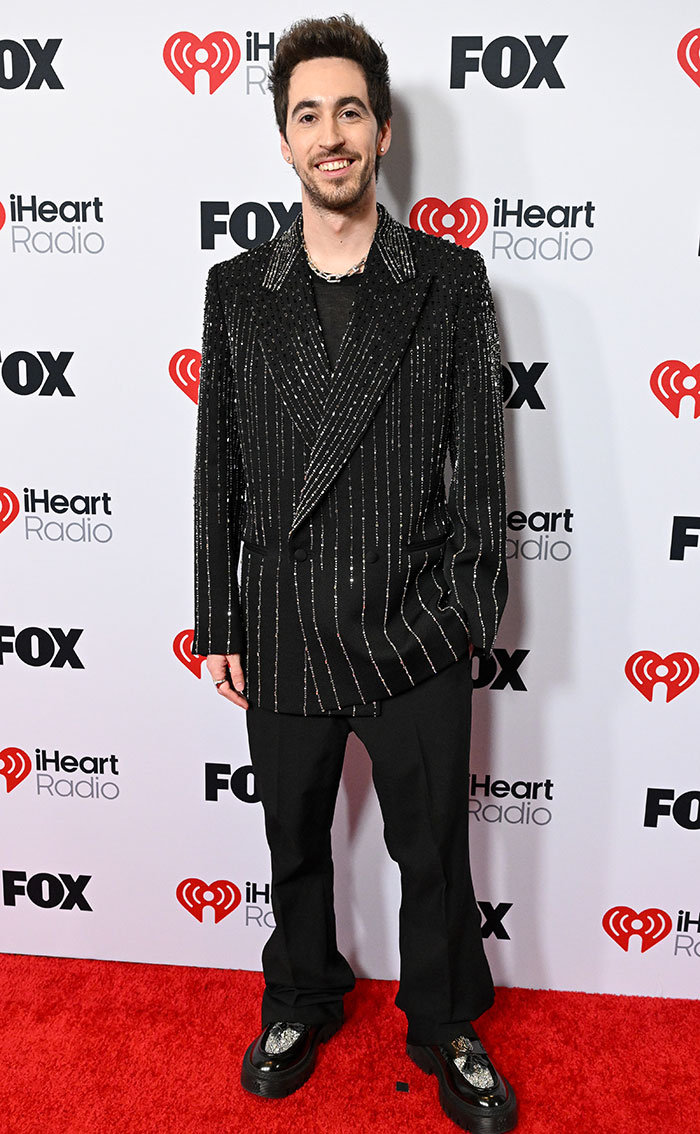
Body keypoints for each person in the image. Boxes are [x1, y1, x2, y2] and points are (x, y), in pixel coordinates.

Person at [192, 15, 516, 1133]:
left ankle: (443, 1023)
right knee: (292, 839)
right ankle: (299, 996)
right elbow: (218, 468)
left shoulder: (448, 282)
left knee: (430, 849)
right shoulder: (238, 289)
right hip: (280, 616)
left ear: (380, 132)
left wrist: (463, 612)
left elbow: (482, 463)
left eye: (347, 111)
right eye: (305, 115)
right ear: (282, 142)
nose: (329, 134)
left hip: (412, 621)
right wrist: (214, 615)